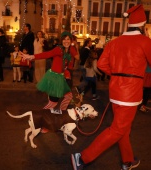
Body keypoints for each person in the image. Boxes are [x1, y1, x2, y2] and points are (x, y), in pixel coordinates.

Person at [71, 4, 151, 170]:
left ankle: (128, 161)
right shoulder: (145, 41)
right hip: (131, 93)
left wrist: (117, 74)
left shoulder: (115, 42)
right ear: (143, 24)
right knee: (117, 129)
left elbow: (101, 64)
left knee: (123, 128)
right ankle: (82, 158)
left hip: (115, 90)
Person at [21, 31, 79, 111]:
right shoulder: (58, 49)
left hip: (62, 77)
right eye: (64, 39)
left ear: (71, 40)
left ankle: (62, 113)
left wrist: (76, 47)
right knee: (53, 102)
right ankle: (42, 116)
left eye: (68, 39)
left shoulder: (70, 49)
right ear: (61, 41)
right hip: (55, 78)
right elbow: (46, 54)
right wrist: (31, 57)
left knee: (68, 97)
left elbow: (76, 59)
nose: (66, 41)